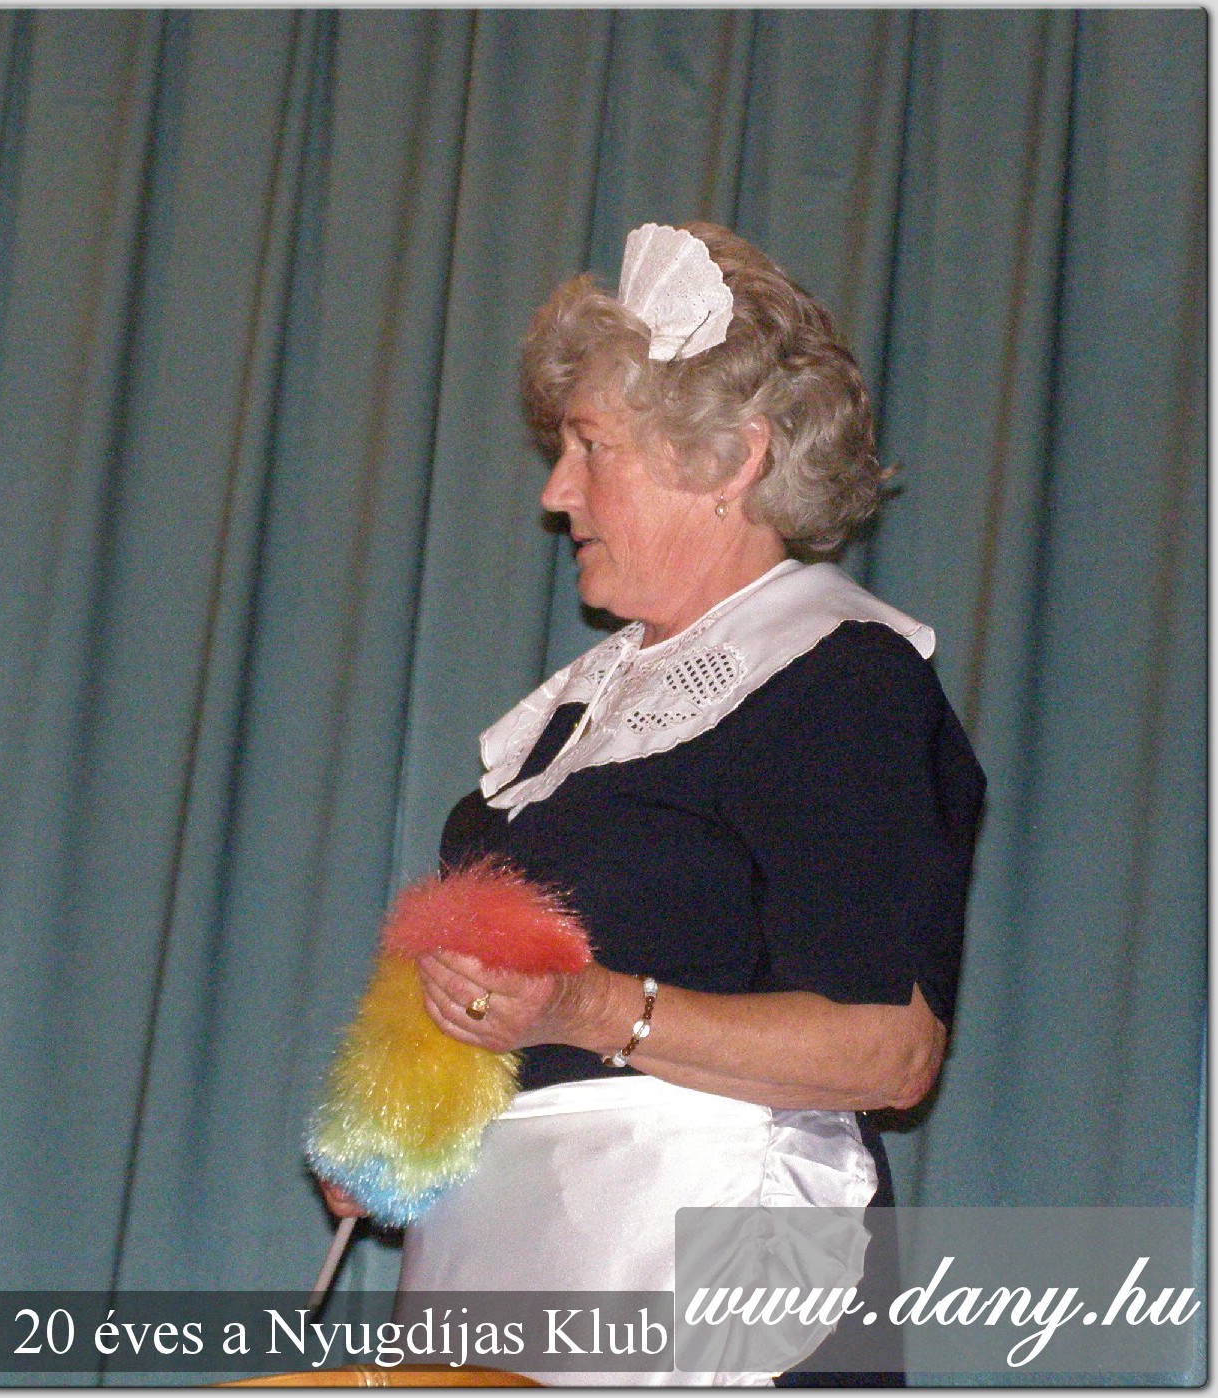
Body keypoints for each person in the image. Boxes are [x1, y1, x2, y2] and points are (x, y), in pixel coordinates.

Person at [318, 222, 985, 1384]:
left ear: (728, 458)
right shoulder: (571, 718)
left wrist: (588, 1008)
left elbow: (888, 1051)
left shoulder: (841, 681)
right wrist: (404, 1126)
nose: (554, 493)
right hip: (505, 1266)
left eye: (588, 447)